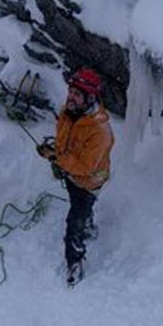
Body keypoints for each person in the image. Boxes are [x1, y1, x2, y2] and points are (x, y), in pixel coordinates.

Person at [36, 67, 113, 286]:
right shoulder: (68, 112)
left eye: (77, 94)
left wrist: (57, 159)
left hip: (89, 182)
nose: (71, 97)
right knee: (78, 207)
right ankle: (88, 224)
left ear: (90, 98)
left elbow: (86, 166)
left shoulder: (100, 131)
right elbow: (64, 139)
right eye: (70, 91)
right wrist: (53, 152)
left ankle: (75, 262)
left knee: (73, 224)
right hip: (71, 175)